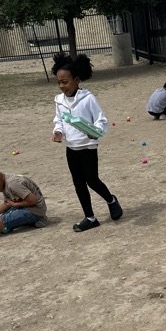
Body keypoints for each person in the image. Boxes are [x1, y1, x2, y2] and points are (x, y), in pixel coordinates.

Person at [52, 52, 123, 233]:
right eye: (59, 82)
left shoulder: (88, 99)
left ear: (76, 80)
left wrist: (95, 132)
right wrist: (58, 131)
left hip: (88, 146)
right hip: (71, 147)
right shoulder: (59, 101)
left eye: (65, 82)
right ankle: (90, 217)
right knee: (78, 183)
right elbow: (58, 119)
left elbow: (101, 120)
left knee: (92, 180)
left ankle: (111, 200)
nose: (62, 86)